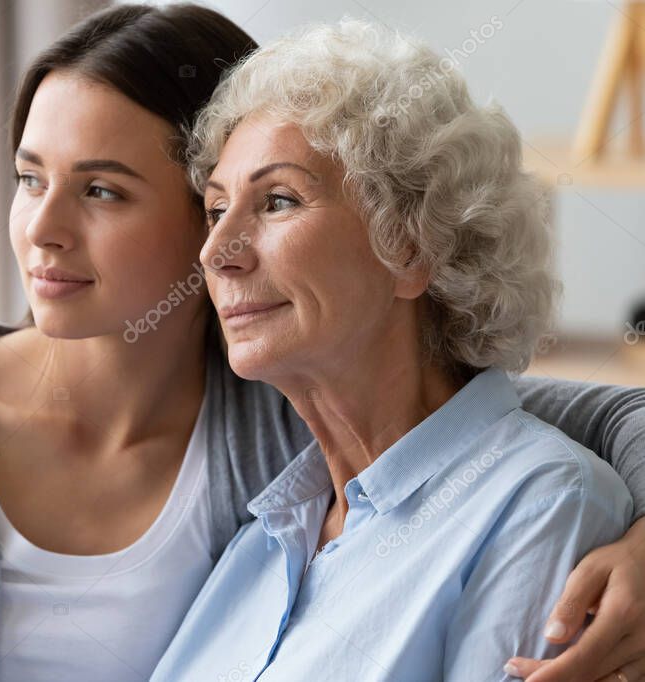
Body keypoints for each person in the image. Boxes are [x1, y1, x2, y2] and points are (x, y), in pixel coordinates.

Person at [0, 5, 645, 681]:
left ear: (411, 246)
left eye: (102, 190)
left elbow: (572, 428)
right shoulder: (288, 502)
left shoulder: (294, 426)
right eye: (27, 179)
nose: (41, 229)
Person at [151, 18, 642, 682]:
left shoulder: (540, 503)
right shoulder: (270, 528)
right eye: (215, 210)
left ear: (410, 246)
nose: (215, 252)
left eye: (276, 201)